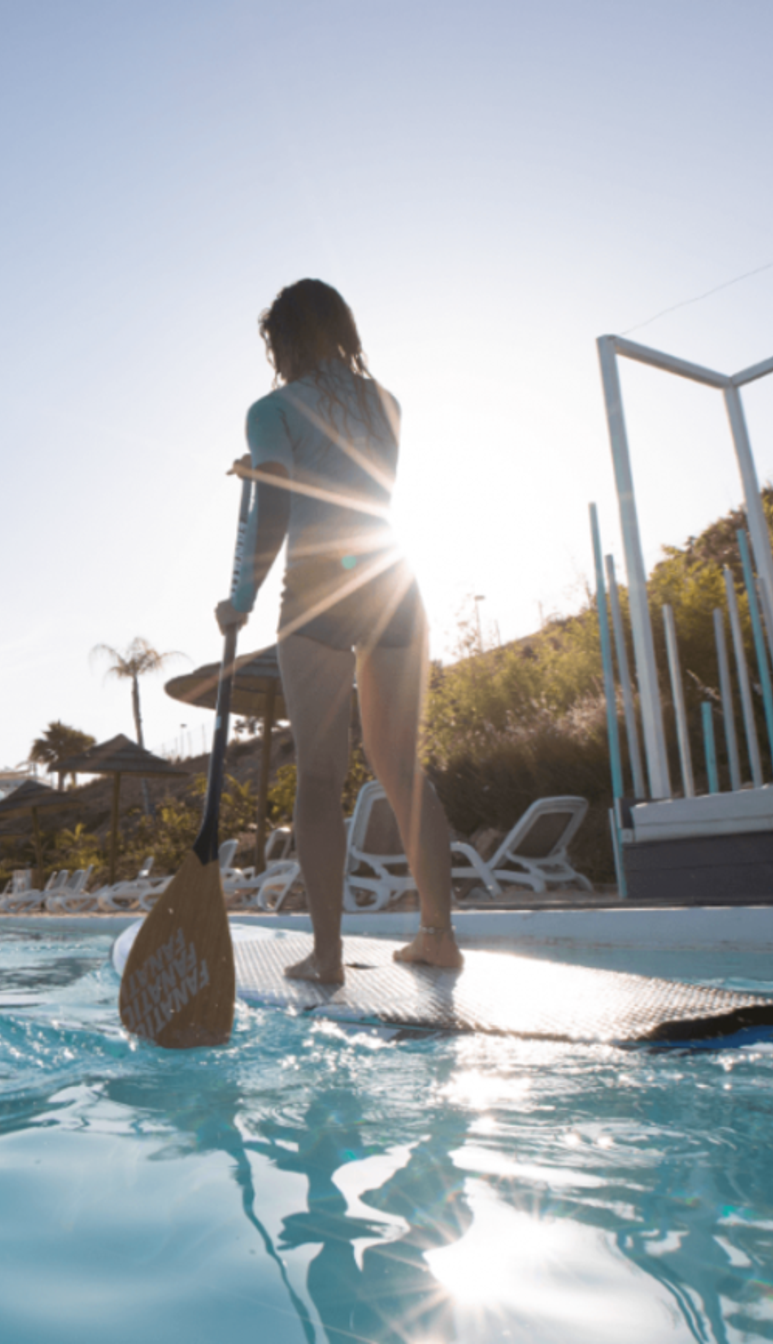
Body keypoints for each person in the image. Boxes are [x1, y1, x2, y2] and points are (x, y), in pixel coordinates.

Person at [214, 278, 462, 977]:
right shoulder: (388, 404)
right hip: (391, 579)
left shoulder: (269, 409)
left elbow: (280, 506)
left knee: (319, 779)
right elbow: (348, 481)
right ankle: (439, 935)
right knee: (401, 769)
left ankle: (326, 955)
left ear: (287, 339)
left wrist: (241, 598)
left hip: (321, 589)